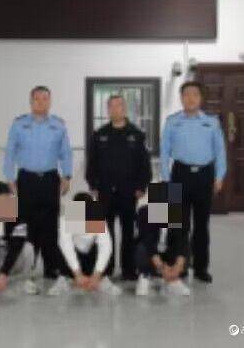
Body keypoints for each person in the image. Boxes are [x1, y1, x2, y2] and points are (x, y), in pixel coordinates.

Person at [3, 86, 73, 280]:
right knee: (27, 224)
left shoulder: (58, 125)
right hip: (27, 179)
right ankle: (31, 267)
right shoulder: (19, 124)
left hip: (50, 179)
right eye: (37, 99)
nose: (41, 102)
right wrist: (9, 178)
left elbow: (66, 153)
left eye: (45, 99)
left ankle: (51, 268)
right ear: (31, 101)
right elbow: (10, 152)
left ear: (50, 101)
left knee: (50, 225)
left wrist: (67, 176)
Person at [160, 81, 227, 283]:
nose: (190, 98)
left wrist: (219, 176)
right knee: (175, 223)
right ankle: (177, 266)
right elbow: (164, 152)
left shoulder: (212, 122)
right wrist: (165, 179)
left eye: (195, 94)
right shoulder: (172, 121)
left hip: (204, 176)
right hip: (179, 173)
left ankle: (200, 268)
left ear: (201, 98)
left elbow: (220, 151)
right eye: (186, 94)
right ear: (181, 98)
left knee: (201, 225)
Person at [85, 95, 152, 280]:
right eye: (111, 106)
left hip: (128, 192)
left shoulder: (136, 134)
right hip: (105, 191)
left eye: (119, 106)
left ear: (125, 109)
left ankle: (128, 270)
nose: (115, 109)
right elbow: (91, 163)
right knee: (105, 232)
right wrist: (93, 185)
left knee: (128, 232)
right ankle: (106, 269)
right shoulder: (99, 135)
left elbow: (144, 164)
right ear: (108, 110)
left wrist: (142, 186)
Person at [48, 192, 122, 296]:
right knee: (60, 245)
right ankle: (64, 279)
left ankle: (102, 280)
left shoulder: (96, 215)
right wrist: (77, 273)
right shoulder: (66, 217)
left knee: (104, 247)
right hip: (74, 257)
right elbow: (66, 246)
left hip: (90, 256)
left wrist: (97, 274)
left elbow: (105, 247)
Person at [134, 205, 190, 296]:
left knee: (186, 250)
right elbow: (148, 242)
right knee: (142, 248)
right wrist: (162, 268)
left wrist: (178, 266)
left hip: (169, 253)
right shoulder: (144, 212)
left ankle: (172, 279)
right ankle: (145, 276)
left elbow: (182, 241)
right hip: (153, 254)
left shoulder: (180, 213)